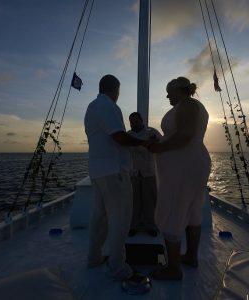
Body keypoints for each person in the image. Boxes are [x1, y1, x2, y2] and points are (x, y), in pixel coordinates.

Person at [84, 74, 150, 280]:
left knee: (100, 216)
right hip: (114, 172)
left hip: (97, 171)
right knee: (120, 218)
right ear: (115, 89)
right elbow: (118, 136)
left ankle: (94, 258)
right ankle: (118, 267)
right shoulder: (109, 106)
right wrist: (142, 143)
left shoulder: (91, 107)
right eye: (119, 91)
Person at [148, 76, 211, 280]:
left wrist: (158, 147)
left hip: (183, 165)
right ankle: (191, 256)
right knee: (192, 209)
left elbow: (184, 135)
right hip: (192, 162)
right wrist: (161, 141)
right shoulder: (192, 105)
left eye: (169, 91)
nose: (167, 95)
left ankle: (173, 268)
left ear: (179, 90)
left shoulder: (188, 104)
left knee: (173, 208)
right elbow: (184, 134)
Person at [127, 112, 162, 237]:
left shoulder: (152, 132)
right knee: (133, 202)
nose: (134, 124)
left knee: (150, 202)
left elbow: (161, 144)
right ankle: (133, 226)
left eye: (136, 121)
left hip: (149, 172)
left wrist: (156, 141)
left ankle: (151, 226)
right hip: (134, 173)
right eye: (131, 122)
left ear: (142, 121)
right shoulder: (128, 135)